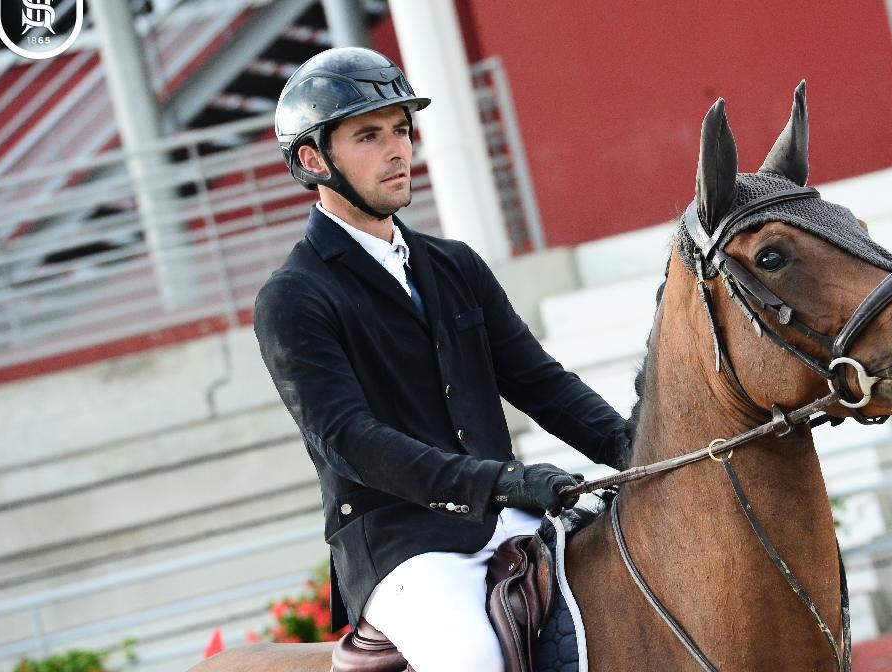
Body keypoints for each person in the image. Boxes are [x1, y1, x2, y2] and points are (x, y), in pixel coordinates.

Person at [255, 47, 629, 671]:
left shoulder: (455, 265)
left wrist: (631, 447)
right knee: (472, 658)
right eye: (370, 136)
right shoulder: (293, 297)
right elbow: (350, 441)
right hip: (405, 549)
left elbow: (540, 383)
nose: (398, 150)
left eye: (401, 130)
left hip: (511, 519)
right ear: (313, 160)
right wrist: (500, 481)